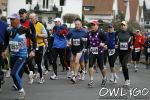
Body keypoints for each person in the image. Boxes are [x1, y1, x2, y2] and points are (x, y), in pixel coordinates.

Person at [8, 13, 29, 99]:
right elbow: (8, 41)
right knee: (13, 75)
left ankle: (21, 91)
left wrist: (33, 50)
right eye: (10, 19)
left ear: (17, 20)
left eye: (12, 19)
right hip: (13, 55)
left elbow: (33, 38)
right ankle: (20, 89)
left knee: (14, 73)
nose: (11, 21)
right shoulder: (9, 29)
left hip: (22, 55)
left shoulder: (24, 29)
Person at [18, 8, 37, 84]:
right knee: (21, 63)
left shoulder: (30, 23)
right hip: (18, 46)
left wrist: (34, 48)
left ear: (26, 14)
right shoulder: (17, 22)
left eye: (23, 13)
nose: (21, 15)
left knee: (23, 62)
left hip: (27, 46)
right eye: (20, 14)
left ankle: (17, 82)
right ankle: (30, 73)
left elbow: (34, 34)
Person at [87, 20, 107, 87]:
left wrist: (103, 43)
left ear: (97, 26)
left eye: (94, 25)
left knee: (101, 67)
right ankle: (91, 80)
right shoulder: (89, 33)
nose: (92, 26)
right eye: (92, 25)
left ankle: (104, 78)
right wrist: (85, 48)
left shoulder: (101, 33)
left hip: (100, 52)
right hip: (92, 51)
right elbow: (88, 42)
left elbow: (106, 40)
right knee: (90, 65)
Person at [29, 13, 47, 84]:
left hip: (40, 46)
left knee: (38, 63)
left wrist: (38, 35)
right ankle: (32, 73)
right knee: (29, 61)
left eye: (31, 18)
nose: (30, 20)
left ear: (36, 18)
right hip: (31, 46)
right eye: (29, 18)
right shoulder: (28, 25)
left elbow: (46, 35)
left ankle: (41, 77)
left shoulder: (40, 25)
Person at [117, 21, 132, 86]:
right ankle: (126, 80)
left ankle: (127, 80)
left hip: (127, 52)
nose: (123, 26)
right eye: (122, 25)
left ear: (126, 26)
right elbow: (115, 40)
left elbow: (134, 39)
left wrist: (132, 45)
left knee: (124, 64)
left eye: (124, 25)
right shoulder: (118, 33)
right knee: (123, 66)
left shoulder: (130, 33)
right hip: (120, 52)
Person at [0, 9, 9, 92]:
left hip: (1, 47)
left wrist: (6, 49)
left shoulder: (5, 25)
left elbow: (8, 39)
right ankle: (1, 74)